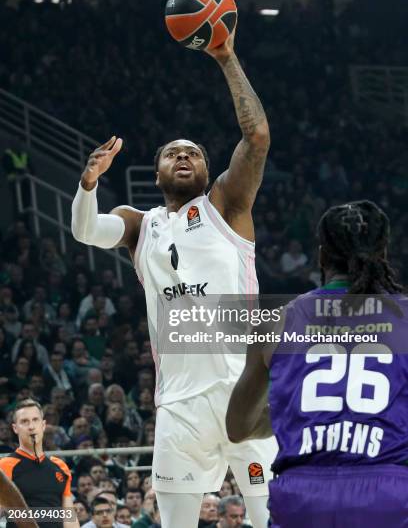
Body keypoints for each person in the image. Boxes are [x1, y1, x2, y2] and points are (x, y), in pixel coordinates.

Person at [71, 29, 276, 527]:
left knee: (272, 518)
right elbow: (87, 231)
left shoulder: (226, 205)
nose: (183, 156)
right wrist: (88, 184)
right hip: (179, 405)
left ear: (208, 170)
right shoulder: (141, 225)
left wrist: (226, 57)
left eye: (194, 153)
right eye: (172, 153)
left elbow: (257, 138)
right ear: (157, 172)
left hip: (243, 393)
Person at [226, 201, 408, 527]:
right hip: (387, 492)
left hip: (302, 497)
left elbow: (238, 427)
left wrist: (297, 414)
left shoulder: (276, 322)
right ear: (382, 253)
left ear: (322, 257)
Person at [0, 399, 80, 528]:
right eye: (24, 421)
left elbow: (68, 516)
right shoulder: (4, 465)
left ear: (43, 425)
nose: (31, 426)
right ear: (15, 428)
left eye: (35, 420)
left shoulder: (60, 466)